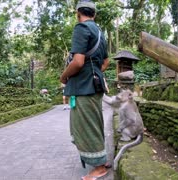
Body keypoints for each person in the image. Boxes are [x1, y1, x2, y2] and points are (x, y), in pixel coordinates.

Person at [60, 0, 110, 179]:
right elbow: (105, 62)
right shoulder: (99, 32)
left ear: (78, 13)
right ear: (94, 14)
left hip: (83, 87)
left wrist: (64, 76)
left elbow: (78, 61)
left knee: (86, 125)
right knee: (94, 123)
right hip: (96, 85)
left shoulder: (81, 29)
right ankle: (102, 160)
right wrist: (94, 72)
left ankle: (99, 168)